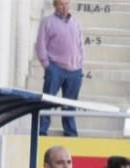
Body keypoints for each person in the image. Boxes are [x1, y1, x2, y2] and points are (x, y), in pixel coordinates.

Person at [35, 0, 85, 137]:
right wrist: (47, 66)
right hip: (55, 68)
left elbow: (80, 45)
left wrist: (80, 66)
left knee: (70, 104)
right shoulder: (47, 22)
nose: (65, 7)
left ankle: (70, 132)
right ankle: (42, 131)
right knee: (47, 101)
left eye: (67, 4)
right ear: (55, 6)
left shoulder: (75, 22)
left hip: (75, 71)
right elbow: (40, 45)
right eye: (61, 4)